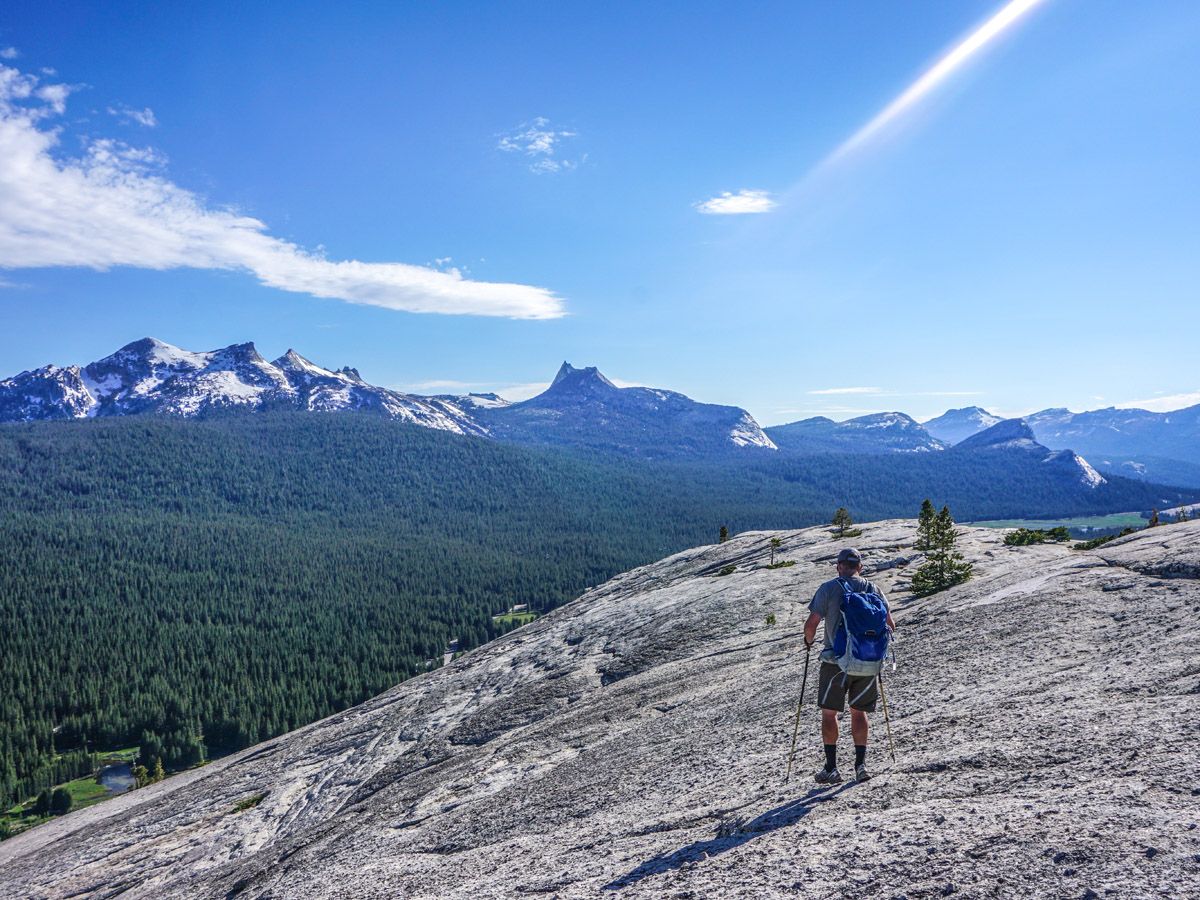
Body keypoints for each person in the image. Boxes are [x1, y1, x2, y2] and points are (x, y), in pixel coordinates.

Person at [802, 547, 894, 784]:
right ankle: (860, 766)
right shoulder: (874, 589)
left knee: (830, 713)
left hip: (835, 661)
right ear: (860, 567)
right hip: (867, 660)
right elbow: (890, 625)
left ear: (839, 566)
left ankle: (831, 768)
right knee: (859, 712)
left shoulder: (829, 588)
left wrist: (808, 642)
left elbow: (811, 623)